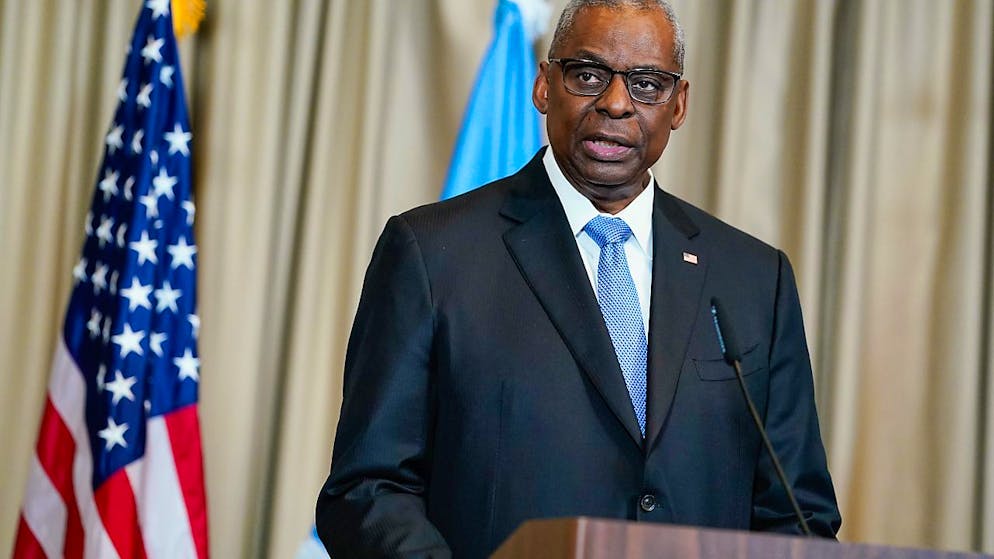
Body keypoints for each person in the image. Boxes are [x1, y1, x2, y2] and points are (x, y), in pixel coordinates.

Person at [316, 1, 841, 557]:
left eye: (646, 84)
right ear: (544, 86)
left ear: (679, 103)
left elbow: (797, 513)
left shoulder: (755, 280)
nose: (616, 104)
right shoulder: (431, 255)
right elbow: (367, 489)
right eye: (588, 75)